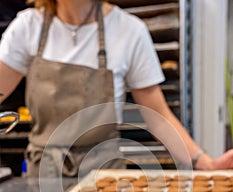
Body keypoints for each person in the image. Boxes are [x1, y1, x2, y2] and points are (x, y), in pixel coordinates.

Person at [0, 0, 233, 177]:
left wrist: (206, 164)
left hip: (104, 176)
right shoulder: (28, 27)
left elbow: (158, 116)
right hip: (44, 174)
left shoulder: (128, 30)